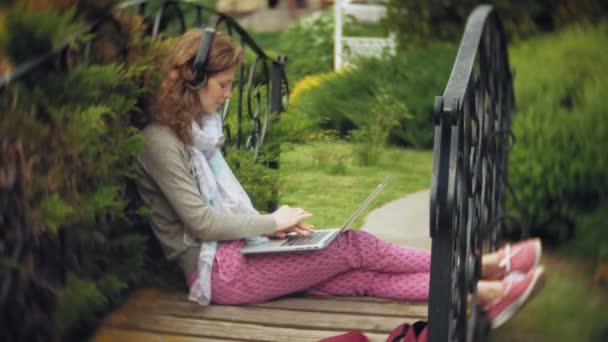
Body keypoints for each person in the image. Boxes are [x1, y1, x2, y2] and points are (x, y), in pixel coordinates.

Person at [135, 29, 545, 329]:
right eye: (223, 85)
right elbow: (201, 223)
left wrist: (269, 233)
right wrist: (272, 222)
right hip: (219, 274)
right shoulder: (160, 142)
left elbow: (220, 212)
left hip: (241, 255)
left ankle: (483, 294)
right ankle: (484, 266)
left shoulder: (196, 136)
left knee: (360, 278)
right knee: (352, 246)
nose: (227, 95)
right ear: (192, 77)